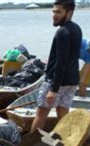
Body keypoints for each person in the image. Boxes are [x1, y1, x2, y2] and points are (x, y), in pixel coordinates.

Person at [30, 0, 82, 133]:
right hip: (72, 81)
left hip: (56, 82)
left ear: (69, 12)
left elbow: (61, 62)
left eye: (59, 12)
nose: (54, 15)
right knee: (63, 115)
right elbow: (71, 57)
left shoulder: (62, 32)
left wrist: (54, 89)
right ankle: (68, 145)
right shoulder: (76, 28)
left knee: (41, 115)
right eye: (53, 11)